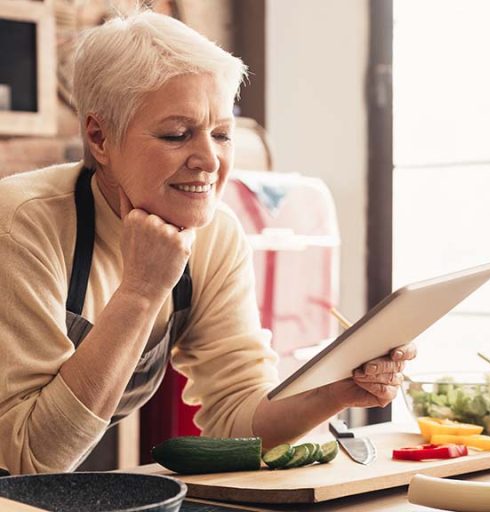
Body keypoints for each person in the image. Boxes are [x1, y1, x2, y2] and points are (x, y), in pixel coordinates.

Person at [0, 10, 415, 475]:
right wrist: (141, 292)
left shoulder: (216, 235)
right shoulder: (20, 226)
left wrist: (337, 390)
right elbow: (29, 459)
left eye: (221, 134)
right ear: (100, 137)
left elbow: (237, 419)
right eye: (177, 134)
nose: (210, 160)